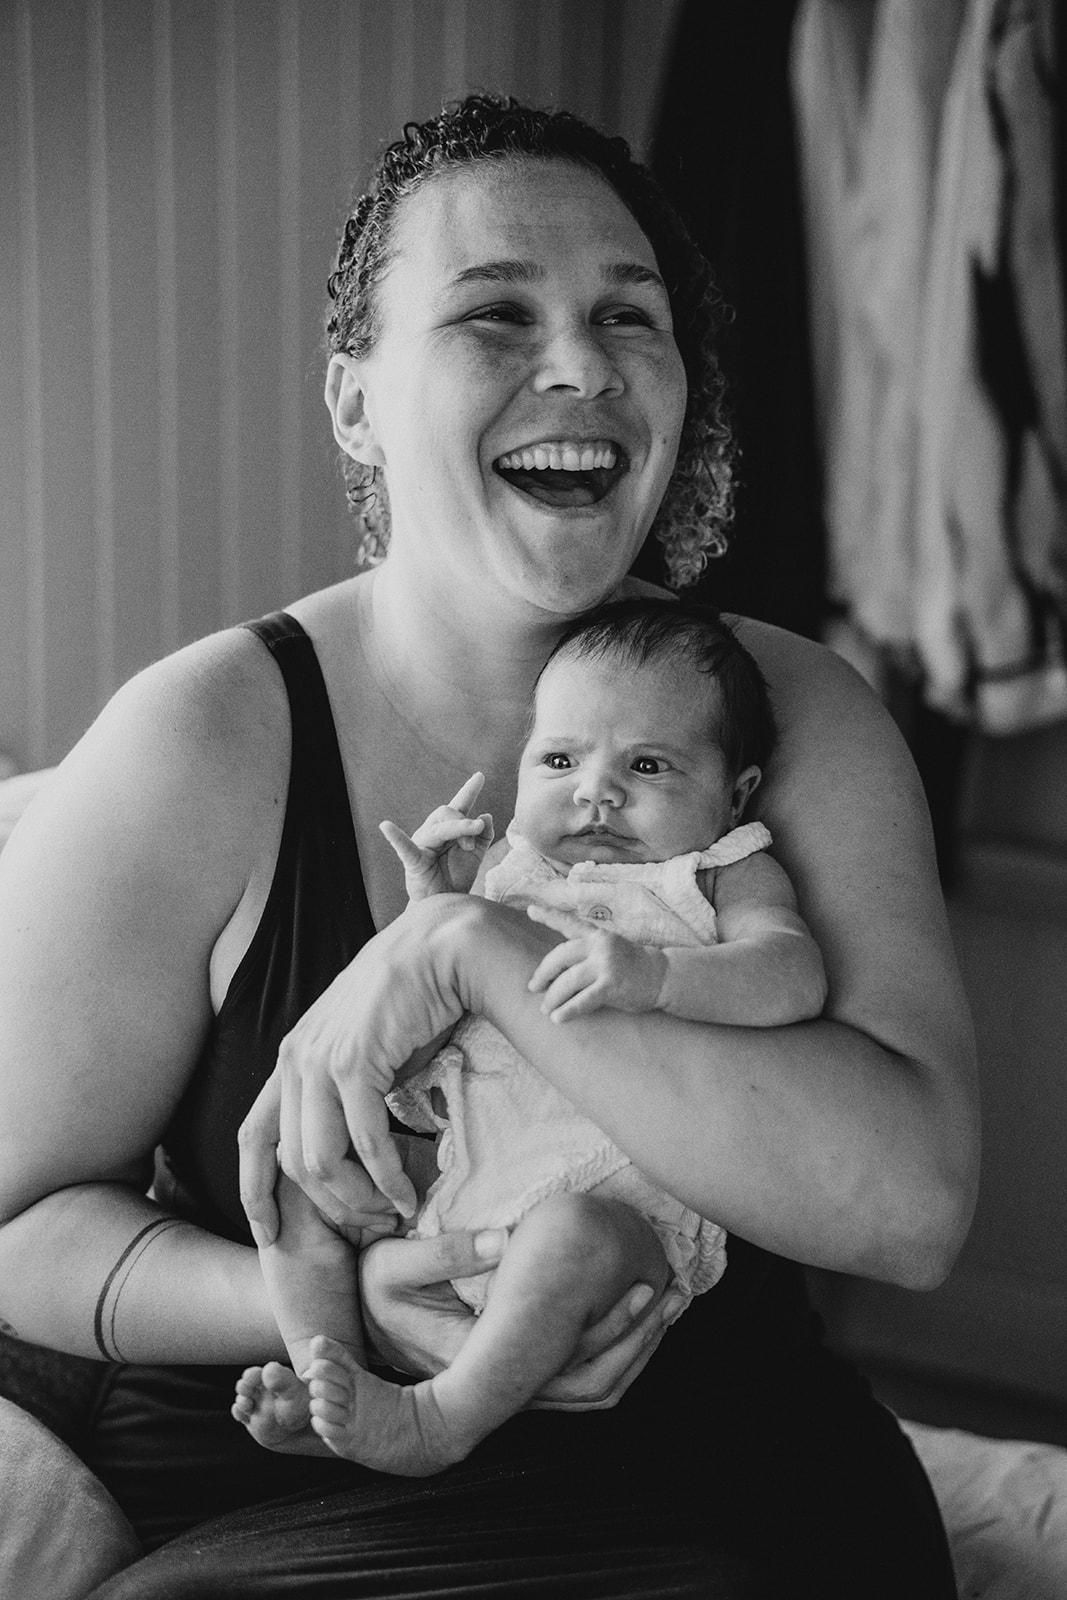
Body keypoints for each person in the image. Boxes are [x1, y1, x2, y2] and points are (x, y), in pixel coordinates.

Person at [0, 94, 977, 1597]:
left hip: (706, 1482)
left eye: (626, 318)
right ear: (352, 403)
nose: (578, 365)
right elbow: (15, 1233)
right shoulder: (201, 740)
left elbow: (906, 1208)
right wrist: (325, 1310)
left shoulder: (794, 709)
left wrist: (475, 949)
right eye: (495, 315)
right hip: (276, 1487)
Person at [233, 599, 828, 1476]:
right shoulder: (516, 872)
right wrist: (433, 904)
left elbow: (792, 972)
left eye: (649, 764)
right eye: (559, 759)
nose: (596, 789)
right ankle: (342, 1383)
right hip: (466, 1171)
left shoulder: (714, 870)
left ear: (732, 792)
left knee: (572, 1236)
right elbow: (431, 997)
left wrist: (661, 976)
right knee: (298, 1170)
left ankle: (437, 1423)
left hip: (621, 1211)